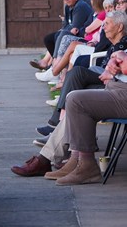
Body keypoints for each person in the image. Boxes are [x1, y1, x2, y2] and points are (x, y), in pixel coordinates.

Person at [11, 11, 127, 177]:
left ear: (120, 27)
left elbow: (121, 65)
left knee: (77, 92)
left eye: (107, 24)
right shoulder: (113, 42)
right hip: (113, 85)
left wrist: (115, 69)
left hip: (117, 88)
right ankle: (70, 159)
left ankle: (71, 159)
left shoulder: (123, 43)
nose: (103, 27)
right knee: (76, 93)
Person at [52, 50, 127, 185]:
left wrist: (122, 58)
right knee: (74, 96)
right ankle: (76, 159)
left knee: (77, 100)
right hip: (116, 85)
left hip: (123, 92)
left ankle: (87, 166)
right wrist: (114, 58)